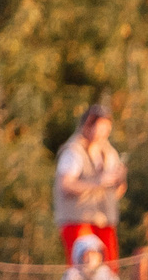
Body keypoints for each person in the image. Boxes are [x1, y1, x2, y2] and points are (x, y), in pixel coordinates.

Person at [54, 104, 129, 268]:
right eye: (100, 127)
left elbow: (116, 192)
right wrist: (97, 183)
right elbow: (65, 185)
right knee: (83, 270)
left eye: (106, 128)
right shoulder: (73, 152)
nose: (104, 132)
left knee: (109, 271)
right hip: (79, 221)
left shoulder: (109, 153)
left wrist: (120, 180)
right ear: (88, 125)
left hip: (104, 220)